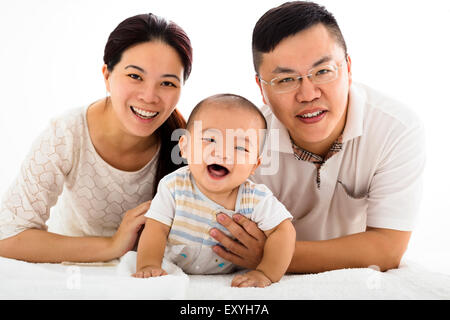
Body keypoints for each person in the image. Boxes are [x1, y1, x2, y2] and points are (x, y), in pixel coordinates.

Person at [209, 1, 426, 273]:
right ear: (261, 89)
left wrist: (272, 255)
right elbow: (222, 236)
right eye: (286, 80)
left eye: (323, 72)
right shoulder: (241, 141)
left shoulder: (396, 128)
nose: (308, 94)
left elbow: (387, 249)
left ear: (348, 68)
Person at [0, 13, 193, 263]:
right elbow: (8, 236)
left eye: (167, 83)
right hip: (75, 273)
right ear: (107, 75)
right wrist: (111, 246)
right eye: (135, 76)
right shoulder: (67, 135)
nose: (149, 96)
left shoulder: (188, 144)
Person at [132, 94, 296, 287]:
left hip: (226, 276)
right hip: (172, 266)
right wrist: (149, 264)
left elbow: (283, 230)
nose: (223, 153)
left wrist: (265, 272)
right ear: (184, 147)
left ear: (254, 165)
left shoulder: (255, 198)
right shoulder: (174, 186)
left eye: (240, 147)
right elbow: (156, 228)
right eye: (210, 139)